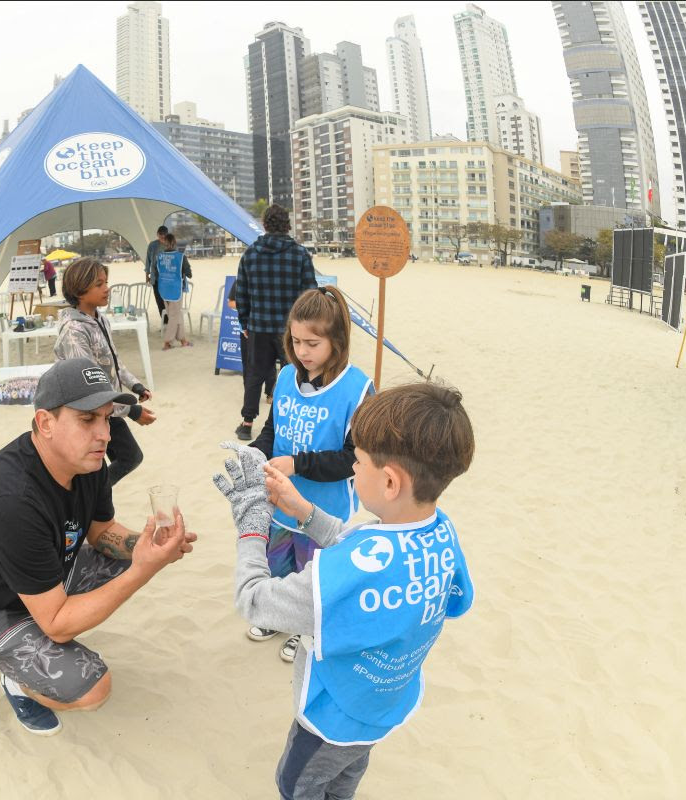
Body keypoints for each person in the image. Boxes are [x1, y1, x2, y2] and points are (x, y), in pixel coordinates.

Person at [212, 382, 476, 800]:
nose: (353, 469)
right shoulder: (440, 532)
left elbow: (254, 600)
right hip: (383, 706)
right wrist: (302, 509)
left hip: (330, 717)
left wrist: (251, 521)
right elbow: (366, 551)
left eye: (358, 461)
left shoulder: (344, 578)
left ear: (389, 482)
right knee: (345, 778)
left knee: (296, 785)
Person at [0, 357, 197, 736]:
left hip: (45, 577)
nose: (104, 434)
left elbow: (101, 530)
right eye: (87, 419)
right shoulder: (10, 499)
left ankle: (39, 634)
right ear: (45, 423)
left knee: (130, 556)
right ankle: (17, 680)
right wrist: (144, 570)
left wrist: (149, 545)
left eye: (107, 418)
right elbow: (56, 626)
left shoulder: (88, 465)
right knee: (92, 690)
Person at [245, 287, 373, 661]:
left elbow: (354, 459)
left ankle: (306, 628)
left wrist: (298, 463)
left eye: (313, 343)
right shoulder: (285, 377)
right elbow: (273, 430)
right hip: (279, 502)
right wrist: (255, 451)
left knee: (314, 579)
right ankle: (276, 616)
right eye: (296, 341)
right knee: (278, 566)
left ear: (337, 341)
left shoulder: (358, 389)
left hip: (323, 511)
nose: (302, 351)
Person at [54, 258, 155, 486]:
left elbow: (114, 362)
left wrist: (135, 386)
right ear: (80, 289)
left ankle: (94, 495)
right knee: (114, 460)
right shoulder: (74, 330)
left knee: (129, 457)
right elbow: (86, 385)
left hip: (109, 407)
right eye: (99, 284)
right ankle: (92, 497)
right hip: (86, 414)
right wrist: (131, 410)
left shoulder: (101, 319)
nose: (107, 289)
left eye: (106, 282)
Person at [233, 204, 317, 441]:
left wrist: (245, 323)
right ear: (287, 225)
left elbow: (242, 295)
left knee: (255, 375)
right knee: (295, 374)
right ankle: (291, 419)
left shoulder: (250, 254)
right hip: (292, 330)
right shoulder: (299, 254)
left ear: (265, 225)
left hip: (259, 327)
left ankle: (247, 422)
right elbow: (310, 295)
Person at [153, 233, 193, 349]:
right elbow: (189, 274)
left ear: (164, 243)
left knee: (175, 314)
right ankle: (167, 342)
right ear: (174, 243)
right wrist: (182, 272)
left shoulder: (159, 257)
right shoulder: (180, 257)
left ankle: (183, 341)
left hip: (164, 290)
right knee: (174, 316)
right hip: (175, 290)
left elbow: (156, 271)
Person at [144, 225, 169, 324]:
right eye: (160, 235)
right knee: (159, 302)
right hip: (156, 279)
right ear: (157, 234)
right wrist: (147, 276)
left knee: (168, 302)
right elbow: (148, 261)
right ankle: (164, 324)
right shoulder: (152, 245)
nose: (162, 237)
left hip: (168, 279)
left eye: (164, 235)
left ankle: (170, 324)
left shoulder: (171, 244)